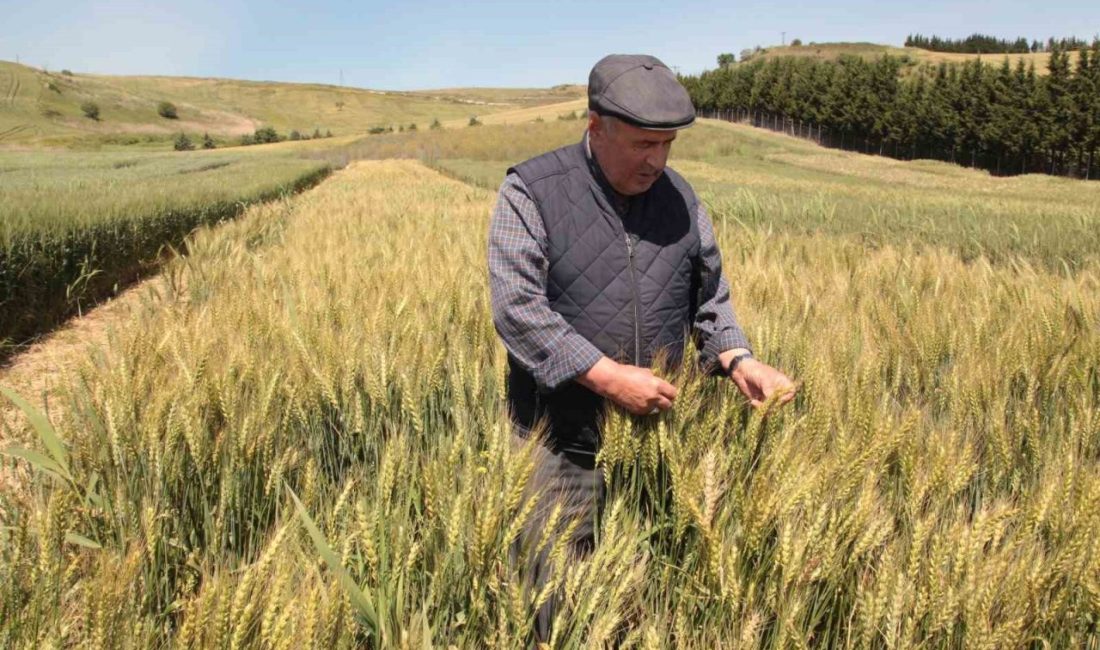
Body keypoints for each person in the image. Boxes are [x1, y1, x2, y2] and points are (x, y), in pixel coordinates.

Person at [487, 53, 796, 641]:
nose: (656, 161)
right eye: (641, 145)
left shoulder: (682, 201)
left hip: (656, 447)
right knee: (554, 610)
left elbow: (710, 299)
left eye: (667, 145)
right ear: (595, 126)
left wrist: (738, 359)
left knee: (640, 604)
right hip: (560, 447)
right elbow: (518, 310)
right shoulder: (531, 192)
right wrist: (604, 376)